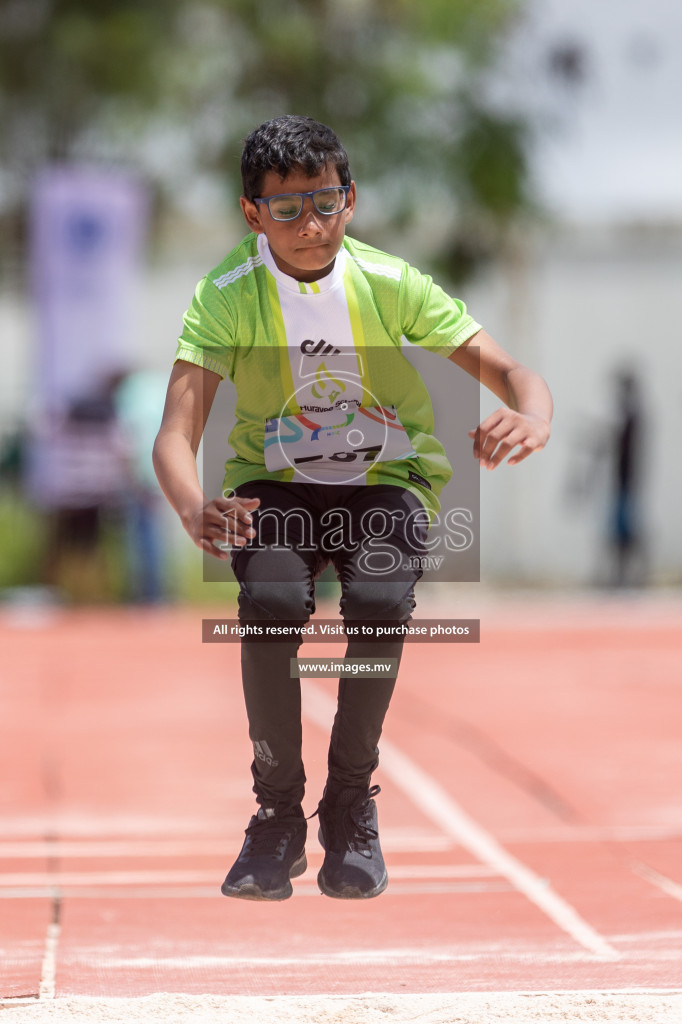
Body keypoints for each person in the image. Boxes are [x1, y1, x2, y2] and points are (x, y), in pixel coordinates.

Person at [153, 114, 552, 902]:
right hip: (273, 484)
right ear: (251, 213)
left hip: (386, 480)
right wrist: (193, 504)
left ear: (351, 199)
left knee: (377, 600)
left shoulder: (390, 283)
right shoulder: (226, 297)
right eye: (288, 208)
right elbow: (175, 433)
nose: (312, 224)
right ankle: (276, 815)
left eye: (327, 202)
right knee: (270, 604)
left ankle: (349, 801)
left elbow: (514, 374)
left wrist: (534, 416)